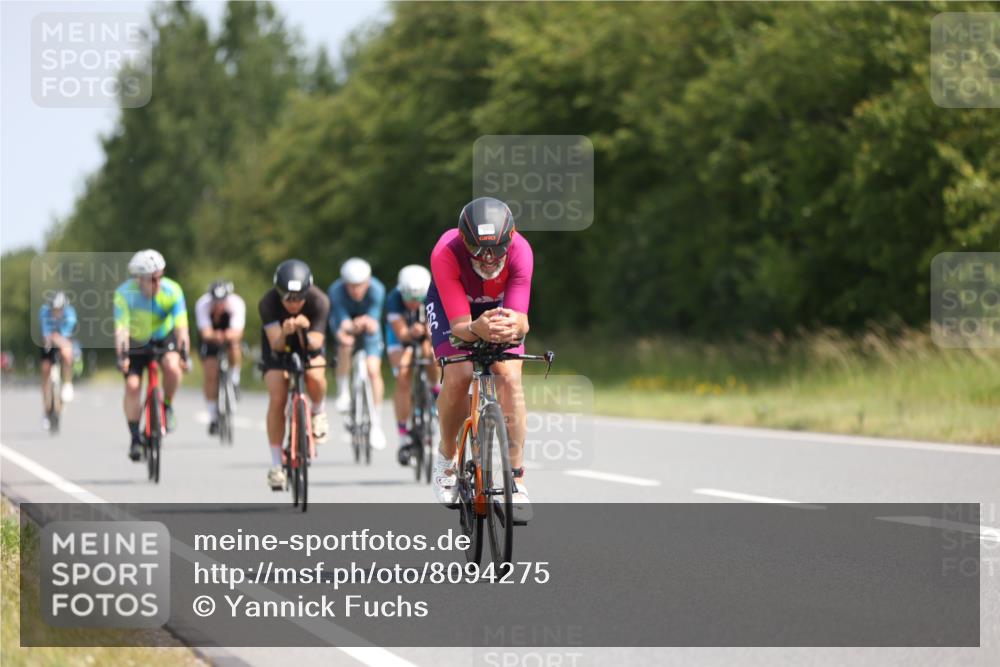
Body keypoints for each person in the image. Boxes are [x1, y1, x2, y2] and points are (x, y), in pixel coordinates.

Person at [426, 197, 534, 521]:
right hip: (455, 312)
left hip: (500, 310)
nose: (488, 259)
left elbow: (522, 320)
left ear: (509, 240)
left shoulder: (521, 252)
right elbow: (460, 329)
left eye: (496, 250)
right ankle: (447, 459)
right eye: (478, 250)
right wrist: (476, 327)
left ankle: (515, 479)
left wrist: (514, 325)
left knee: (510, 380)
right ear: (464, 241)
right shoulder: (446, 252)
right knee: (458, 377)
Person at [114, 249, 190, 462]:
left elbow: (182, 327)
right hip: (137, 340)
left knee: (173, 367)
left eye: (160, 277)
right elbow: (121, 329)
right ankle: (135, 437)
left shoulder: (172, 291)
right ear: (139, 279)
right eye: (152, 279)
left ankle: (166, 405)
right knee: (132, 386)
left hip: (163, 336)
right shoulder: (124, 294)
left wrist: (184, 352)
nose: (157, 283)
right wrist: (122, 355)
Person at [260, 259, 330, 490]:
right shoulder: (268, 303)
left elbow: (316, 343)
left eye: (299, 297)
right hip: (277, 349)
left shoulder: (319, 301)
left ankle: (318, 412)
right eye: (288, 298)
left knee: (316, 374)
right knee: (278, 395)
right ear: (278, 293)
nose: (294, 303)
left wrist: (304, 330)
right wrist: (285, 332)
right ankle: (275, 464)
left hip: (307, 345)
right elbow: (276, 345)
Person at [327, 257, 387, 450]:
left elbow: (374, 321)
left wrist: (367, 323)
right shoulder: (336, 291)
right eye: (351, 286)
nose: (355, 290)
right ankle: (343, 390)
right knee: (345, 344)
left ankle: (376, 423)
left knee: (373, 370)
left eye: (360, 286)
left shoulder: (377, 290)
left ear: (367, 282)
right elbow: (340, 320)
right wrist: (348, 328)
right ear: (345, 284)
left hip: (369, 327)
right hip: (345, 324)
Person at [385, 265, 439, 465]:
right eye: (408, 297)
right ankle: (402, 435)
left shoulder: (433, 295)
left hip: (425, 334)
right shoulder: (393, 299)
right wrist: (412, 335)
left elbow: (435, 331)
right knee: (403, 375)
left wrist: (425, 333)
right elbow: (401, 334)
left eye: (417, 299)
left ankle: (434, 388)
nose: (413, 303)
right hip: (400, 338)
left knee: (433, 354)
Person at [195, 280, 246, 435]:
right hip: (210, 338)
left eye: (222, 301)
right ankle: (213, 417)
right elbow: (205, 332)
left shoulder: (236, 303)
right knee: (210, 373)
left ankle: (235, 379)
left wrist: (228, 335)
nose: (219, 305)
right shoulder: (203, 304)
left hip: (229, 334)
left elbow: (237, 331)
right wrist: (214, 335)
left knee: (235, 347)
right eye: (216, 301)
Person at [39, 291, 78, 426]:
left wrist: (58, 339)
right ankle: (46, 409)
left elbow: (65, 338)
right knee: (45, 370)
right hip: (49, 342)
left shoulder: (70, 314)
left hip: (63, 340)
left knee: (67, 352)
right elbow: (46, 336)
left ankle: (67, 382)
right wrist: (52, 338)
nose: (56, 313)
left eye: (59, 310)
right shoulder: (44, 312)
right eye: (54, 310)